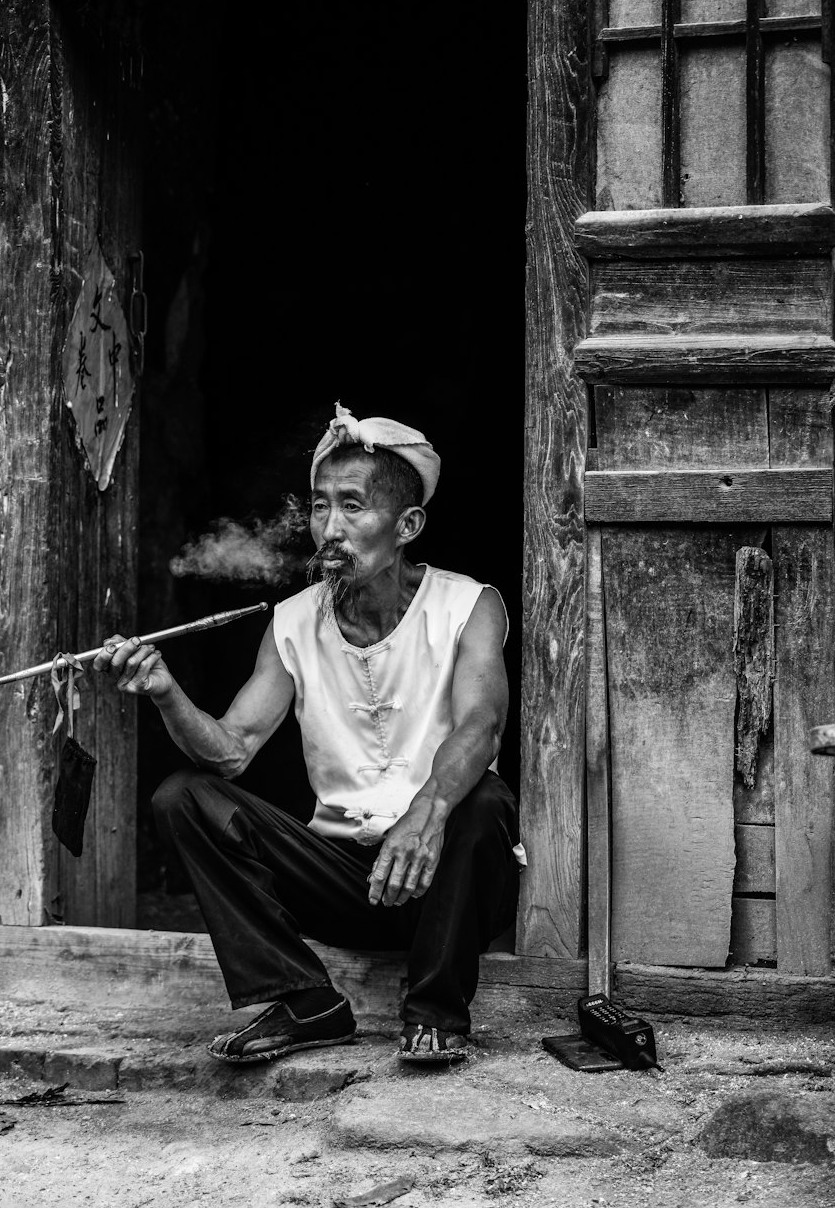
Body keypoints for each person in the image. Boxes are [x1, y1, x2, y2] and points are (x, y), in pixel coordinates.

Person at [95, 403, 523, 1066]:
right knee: (185, 797)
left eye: (353, 507)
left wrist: (428, 809)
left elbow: (482, 723)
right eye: (321, 507)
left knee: (486, 802)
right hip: (345, 880)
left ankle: (436, 1008)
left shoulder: (468, 605)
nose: (330, 528)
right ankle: (304, 999)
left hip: (448, 873)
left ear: (407, 525)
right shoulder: (293, 622)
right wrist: (164, 692)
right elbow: (231, 753)